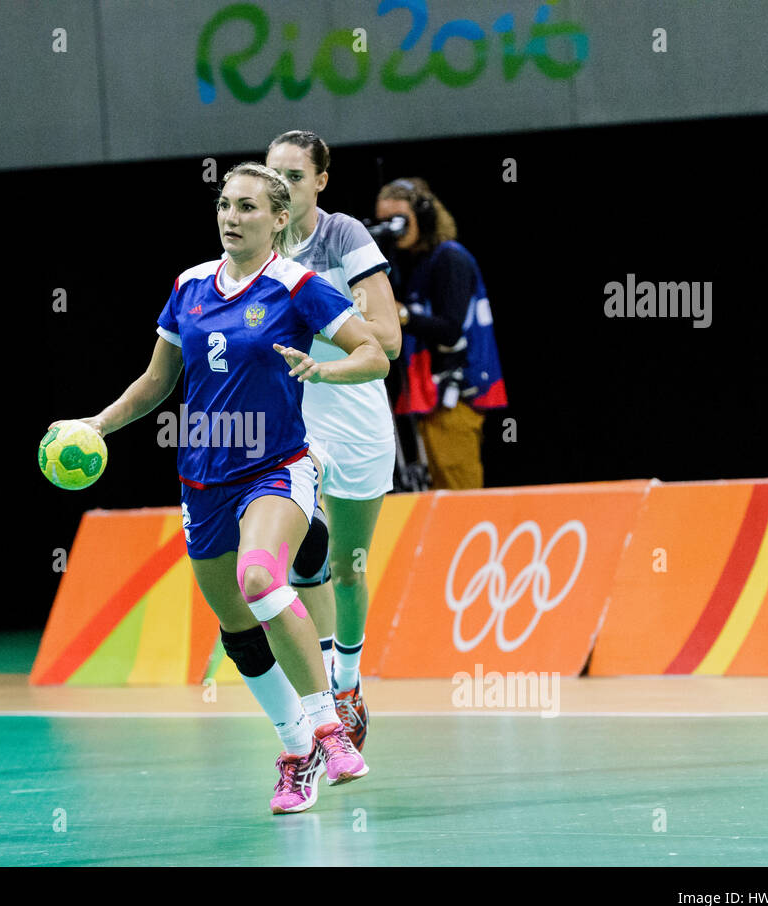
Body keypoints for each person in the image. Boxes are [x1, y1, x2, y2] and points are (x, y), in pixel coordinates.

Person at [55, 163, 388, 814]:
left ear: (279, 219)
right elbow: (156, 384)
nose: (232, 217)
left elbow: (375, 353)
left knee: (261, 578)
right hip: (202, 478)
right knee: (236, 625)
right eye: (224, 205)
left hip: (276, 467)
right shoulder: (189, 288)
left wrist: (324, 369)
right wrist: (95, 425)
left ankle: (327, 723)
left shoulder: (299, 287)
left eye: (247, 208)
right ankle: (296, 749)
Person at [265, 131, 401, 753]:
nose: (281, 188)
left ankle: (347, 682)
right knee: (305, 556)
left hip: (360, 420)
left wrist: (321, 326)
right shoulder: (254, 246)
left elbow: (390, 342)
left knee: (348, 569)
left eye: (295, 176)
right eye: (274, 175)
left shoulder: (343, 236)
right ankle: (319, 705)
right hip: (299, 428)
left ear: (320, 180)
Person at [376, 178, 507, 489]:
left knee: (459, 497)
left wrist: (402, 313)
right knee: (434, 495)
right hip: (428, 398)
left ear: (425, 217)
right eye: (384, 223)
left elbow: (450, 329)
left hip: (455, 399)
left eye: (399, 220)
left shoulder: (450, 258)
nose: (393, 230)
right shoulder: (414, 264)